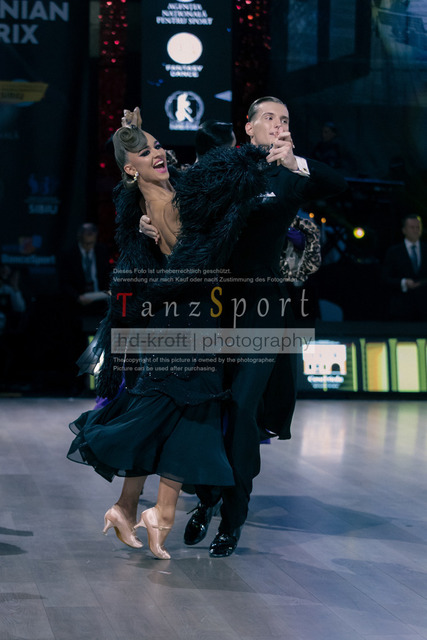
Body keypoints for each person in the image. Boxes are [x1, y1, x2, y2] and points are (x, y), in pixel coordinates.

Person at [140, 96, 347, 556]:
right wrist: (150, 226)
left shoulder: (290, 177)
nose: (278, 124)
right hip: (213, 305)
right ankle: (206, 498)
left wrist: (296, 162)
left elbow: (339, 183)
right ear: (249, 128)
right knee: (205, 404)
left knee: (242, 408)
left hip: (262, 308)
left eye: (285, 119)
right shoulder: (222, 172)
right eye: (269, 118)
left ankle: (233, 518)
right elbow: (181, 217)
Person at [67, 124, 270, 559]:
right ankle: (155, 511)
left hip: (186, 322)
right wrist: (249, 163)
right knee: (175, 412)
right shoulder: (164, 205)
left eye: (157, 145)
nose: (158, 153)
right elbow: (191, 265)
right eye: (145, 153)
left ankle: (137, 508)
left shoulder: (159, 196)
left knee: (176, 414)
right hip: (182, 324)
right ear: (130, 169)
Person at [382, 214, 427, 321]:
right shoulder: (394, 252)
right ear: (404, 230)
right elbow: (385, 278)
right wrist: (404, 283)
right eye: (412, 227)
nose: (415, 230)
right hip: (401, 309)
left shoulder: (426, 249)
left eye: (418, 227)